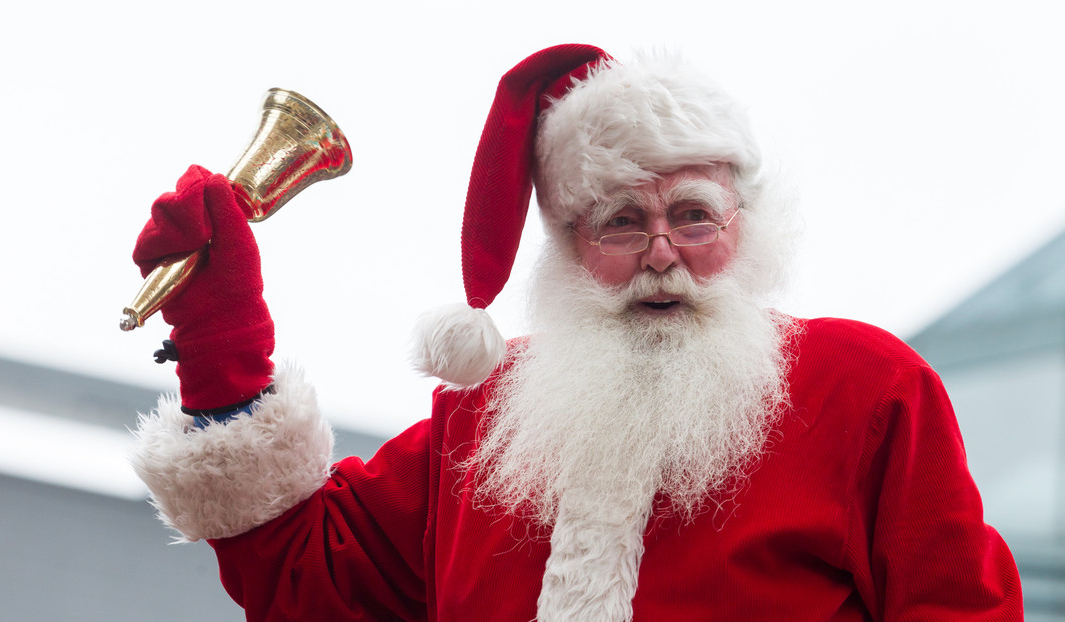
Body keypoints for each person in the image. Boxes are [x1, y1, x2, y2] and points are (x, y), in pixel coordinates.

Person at [129, 44, 1023, 621]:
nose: (661, 251)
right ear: (571, 248)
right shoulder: (486, 416)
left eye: (693, 215)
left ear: (747, 228)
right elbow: (302, 578)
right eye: (622, 222)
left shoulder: (864, 384)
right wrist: (220, 340)